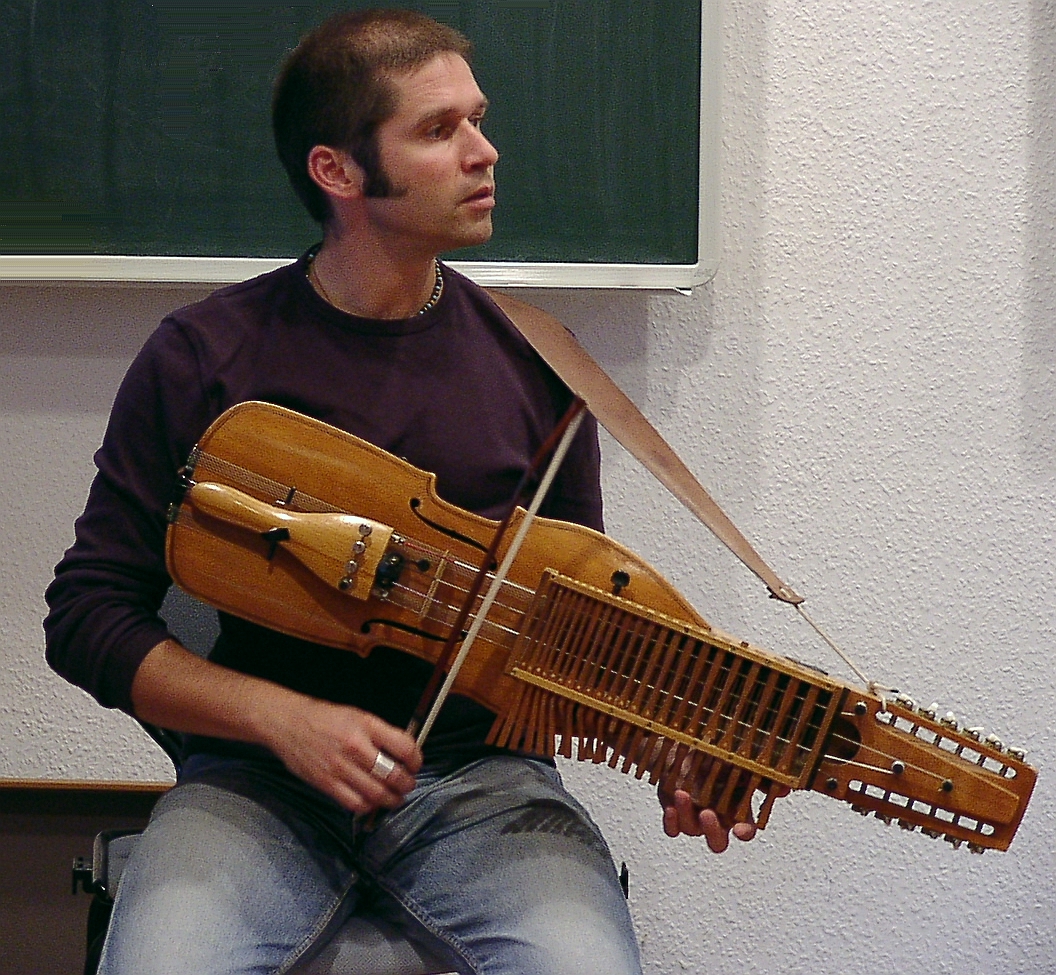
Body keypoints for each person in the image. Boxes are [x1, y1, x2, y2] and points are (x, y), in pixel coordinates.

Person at [44, 10, 757, 974]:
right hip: (254, 788)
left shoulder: (543, 368)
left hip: (483, 787)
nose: (484, 150)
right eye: (438, 129)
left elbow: (576, 641)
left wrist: (678, 751)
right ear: (337, 172)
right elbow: (86, 614)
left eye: (478, 118)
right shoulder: (204, 357)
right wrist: (277, 717)